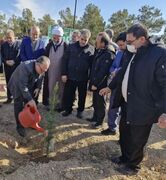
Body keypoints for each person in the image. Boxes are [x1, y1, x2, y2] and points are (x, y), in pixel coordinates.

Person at [99, 24, 166, 174]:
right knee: (125, 132)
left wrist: (164, 111)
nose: (127, 45)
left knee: (138, 138)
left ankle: (133, 166)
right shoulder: (132, 50)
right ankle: (125, 157)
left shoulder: (159, 54)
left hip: (144, 106)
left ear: (142, 39)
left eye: (130, 42)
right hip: (128, 102)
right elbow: (123, 72)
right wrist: (111, 86)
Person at [8, 56, 50, 137]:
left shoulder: (41, 68)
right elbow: (22, 86)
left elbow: (41, 76)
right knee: (18, 105)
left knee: (30, 103)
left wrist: (38, 87)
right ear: (37, 64)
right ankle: (19, 126)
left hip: (28, 84)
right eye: (42, 70)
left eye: (45, 71)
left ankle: (31, 122)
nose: (43, 72)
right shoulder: (25, 68)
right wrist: (30, 99)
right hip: (17, 85)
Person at [62, 29, 94, 118]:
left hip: (83, 77)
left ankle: (80, 111)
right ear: (79, 37)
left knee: (82, 95)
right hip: (70, 76)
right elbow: (65, 60)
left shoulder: (91, 50)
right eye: (82, 39)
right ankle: (68, 109)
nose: (83, 41)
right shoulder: (71, 47)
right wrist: (64, 73)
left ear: (88, 39)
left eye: (85, 40)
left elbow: (92, 66)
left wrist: (90, 78)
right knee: (69, 94)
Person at [101, 32, 128, 135]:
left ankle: (124, 134)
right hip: (115, 84)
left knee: (124, 112)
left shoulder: (132, 54)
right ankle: (112, 128)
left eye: (121, 45)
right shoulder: (119, 53)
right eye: (119, 45)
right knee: (113, 106)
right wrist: (114, 70)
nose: (120, 47)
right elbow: (113, 66)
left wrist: (119, 70)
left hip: (125, 86)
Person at [88, 32, 115, 128]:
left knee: (100, 103)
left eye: (98, 41)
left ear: (103, 43)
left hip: (101, 84)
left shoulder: (108, 54)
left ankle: (99, 122)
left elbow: (103, 72)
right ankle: (95, 117)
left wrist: (95, 83)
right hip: (95, 81)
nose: (96, 43)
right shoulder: (100, 50)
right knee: (95, 101)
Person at [42, 26, 67, 111]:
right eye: (54, 37)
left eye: (57, 37)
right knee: (50, 87)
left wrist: (65, 73)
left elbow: (67, 60)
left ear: (61, 36)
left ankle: (60, 105)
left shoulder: (66, 46)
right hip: (50, 71)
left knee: (61, 88)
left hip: (61, 71)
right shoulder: (49, 45)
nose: (55, 39)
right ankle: (50, 104)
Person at [1, 29, 21, 104]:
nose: (9, 39)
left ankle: (17, 98)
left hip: (15, 67)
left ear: (14, 37)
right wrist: (5, 61)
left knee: (16, 83)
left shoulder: (19, 44)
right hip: (7, 67)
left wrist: (14, 61)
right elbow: (1, 56)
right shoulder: (3, 45)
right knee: (8, 82)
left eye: (10, 37)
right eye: (7, 38)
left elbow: (20, 55)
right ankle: (9, 98)